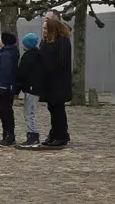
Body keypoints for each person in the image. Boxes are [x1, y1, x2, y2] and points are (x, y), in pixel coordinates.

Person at [39, 14, 73, 147]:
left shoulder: (62, 41)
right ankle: (54, 133)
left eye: (46, 29)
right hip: (49, 82)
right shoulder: (46, 41)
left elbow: (61, 62)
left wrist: (48, 69)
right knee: (52, 108)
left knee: (58, 109)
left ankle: (61, 135)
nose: (44, 31)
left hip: (58, 82)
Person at [0, 31, 20, 146]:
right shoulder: (9, 53)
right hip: (8, 87)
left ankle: (9, 135)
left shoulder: (6, 55)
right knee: (4, 109)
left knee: (4, 110)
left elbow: (5, 71)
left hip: (6, 87)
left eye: (0, 38)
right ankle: (7, 134)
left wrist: (2, 86)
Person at [17, 32, 44, 147]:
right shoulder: (38, 55)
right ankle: (32, 134)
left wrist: (22, 86)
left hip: (31, 88)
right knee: (29, 112)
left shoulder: (29, 57)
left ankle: (32, 135)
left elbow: (22, 73)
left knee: (29, 113)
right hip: (34, 88)